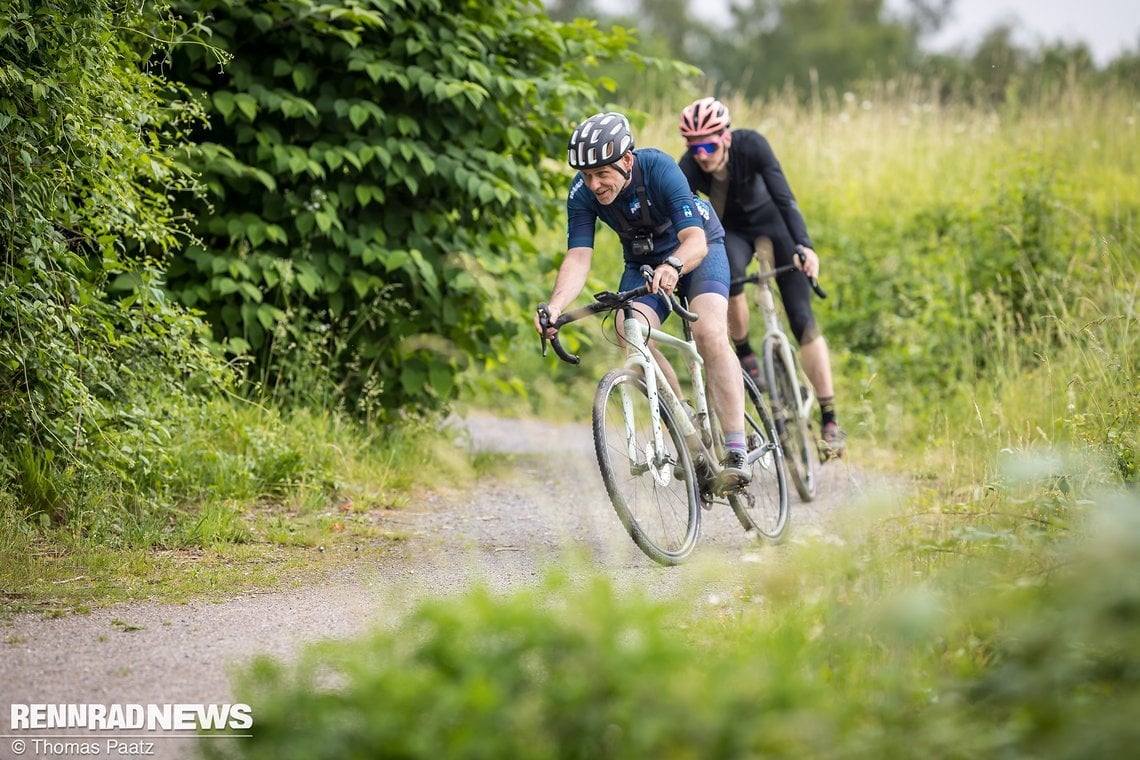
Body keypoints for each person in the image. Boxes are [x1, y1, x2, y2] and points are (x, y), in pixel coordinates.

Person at [534, 111, 751, 488]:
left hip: (698, 248)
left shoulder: (658, 167)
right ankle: (684, 422)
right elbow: (578, 256)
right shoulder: (582, 193)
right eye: (587, 176)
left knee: (711, 332)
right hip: (645, 261)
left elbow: (695, 241)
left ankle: (735, 447)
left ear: (626, 160)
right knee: (628, 328)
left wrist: (675, 264)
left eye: (602, 173)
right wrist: (555, 307)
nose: (595, 184)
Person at [677, 97, 846, 458]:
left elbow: (785, 197)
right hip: (733, 234)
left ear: (725, 136)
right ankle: (746, 354)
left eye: (707, 144)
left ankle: (830, 417)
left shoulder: (752, 145)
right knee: (731, 279)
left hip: (775, 227)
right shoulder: (689, 166)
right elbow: (686, 219)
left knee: (803, 321)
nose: (701, 154)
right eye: (693, 147)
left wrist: (804, 245)